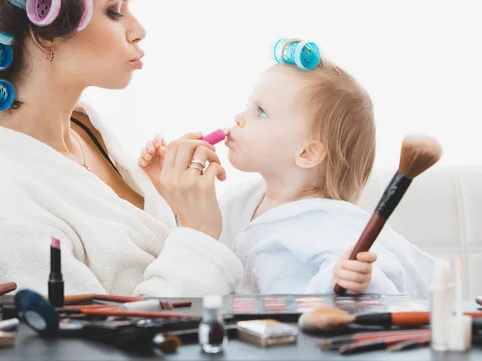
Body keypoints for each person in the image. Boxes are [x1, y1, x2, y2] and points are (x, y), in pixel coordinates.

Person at [0, 0, 241, 297]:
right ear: (46, 30)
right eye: (114, 12)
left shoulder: (83, 127)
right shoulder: (3, 203)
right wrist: (199, 233)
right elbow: (98, 342)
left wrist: (165, 201)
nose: (138, 31)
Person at [140, 40, 437, 298]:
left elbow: (372, 287)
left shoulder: (330, 225)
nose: (239, 118)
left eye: (260, 112)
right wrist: (167, 195)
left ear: (307, 153)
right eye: (248, 105)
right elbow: (199, 256)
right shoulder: (242, 200)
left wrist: (349, 280)